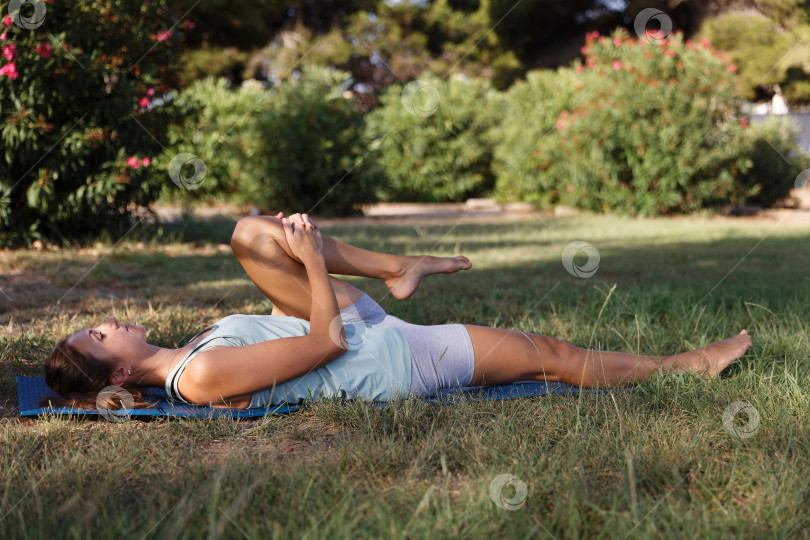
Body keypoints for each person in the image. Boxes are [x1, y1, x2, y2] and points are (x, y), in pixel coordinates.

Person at [41, 213, 752, 411]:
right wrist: (312, 258)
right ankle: (689, 367)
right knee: (552, 356)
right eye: (100, 334)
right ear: (123, 368)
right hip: (388, 361)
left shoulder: (188, 349)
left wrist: (293, 253)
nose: (110, 320)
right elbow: (323, 345)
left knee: (249, 234)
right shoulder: (195, 379)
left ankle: (397, 267)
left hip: (359, 331)